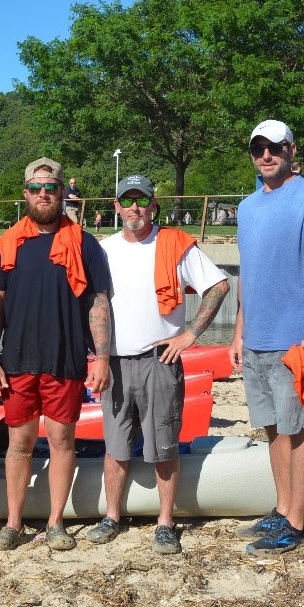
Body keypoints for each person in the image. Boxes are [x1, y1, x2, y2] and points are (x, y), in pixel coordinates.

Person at [87, 175, 230, 554]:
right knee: (115, 446)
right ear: (115, 206)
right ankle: (112, 516)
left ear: (153, 204)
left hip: (159, 361)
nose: (134, 207)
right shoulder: (103, 250)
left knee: (164, 445)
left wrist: (188, 336)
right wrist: (98, 357)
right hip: (115, 362)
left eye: (141, 200)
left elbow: (218, 286)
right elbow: (96, 305)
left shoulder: (177, 245)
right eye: (126, 200)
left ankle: (165, 522)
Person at [0, 157, 111, 551]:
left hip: (66, 359)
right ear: (25, 193)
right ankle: (14, 523)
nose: (43, 194)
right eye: (36, 188)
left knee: (61, 441)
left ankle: (56, 522)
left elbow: (98, 303)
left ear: (62, 193)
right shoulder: (6, 244)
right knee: (18, 443)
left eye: (51, 188)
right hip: (17, 362)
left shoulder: (85, 243)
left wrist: (102, 357)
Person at [231, 120, 304, 556]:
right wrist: (239, 332)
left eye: (274, 147)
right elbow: (249, 274)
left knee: (300, 429)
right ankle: (282, 508)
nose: (266, 155)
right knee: (274, 428)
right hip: (256, 339)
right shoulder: (247, 206)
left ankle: (296, 524)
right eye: (257, 148)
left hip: (297, 339)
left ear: (291, 149)